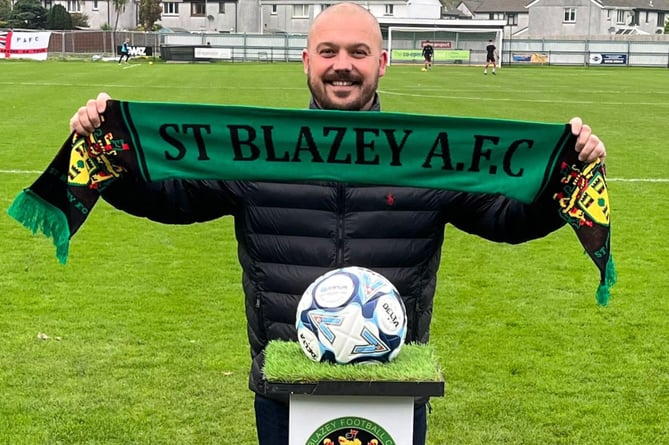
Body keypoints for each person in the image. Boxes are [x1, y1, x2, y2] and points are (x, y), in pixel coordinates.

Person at [69, 3, 606, 444]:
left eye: (358, 52)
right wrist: (107, 154)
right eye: (328, 51)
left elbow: (505, 219)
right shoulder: (255, 152)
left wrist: (566, 175)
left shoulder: (429, 157)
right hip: (286, 387)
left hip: (395, 388)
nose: (341, 64)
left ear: (383, 62)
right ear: (306, 61)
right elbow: (172, 201)